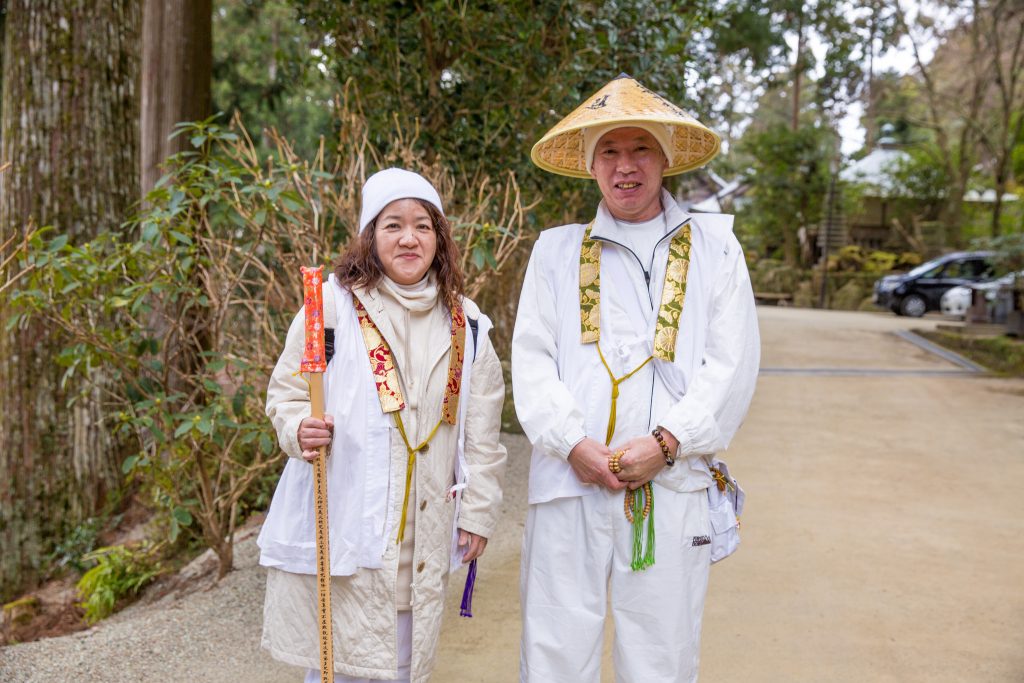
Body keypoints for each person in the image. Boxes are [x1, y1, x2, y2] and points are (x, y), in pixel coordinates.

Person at [512, 74, 760, 682]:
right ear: (591, 164)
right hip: (569, 480)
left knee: (661, 654)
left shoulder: (715, 248)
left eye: (641, 148)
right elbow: (532, 359)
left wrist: (668, 442)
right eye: (610, 151)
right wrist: (572, 443)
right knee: (553, 649)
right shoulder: (555, 252)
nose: (626, 166)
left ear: (665, 157)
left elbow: (731, 362)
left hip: (670, 485)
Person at [258, 168, 508, 683]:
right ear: (370, 236)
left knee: (404, 667)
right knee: (337, 666)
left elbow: (483, 435)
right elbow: (286, 393)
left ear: (439, 239)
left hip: (425, 534)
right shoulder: (329, 308)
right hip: (349, 526)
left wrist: (478, 513)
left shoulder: (467, 323)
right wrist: (299, 427)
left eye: (422, 225)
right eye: (393, 225)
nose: (409, 238)